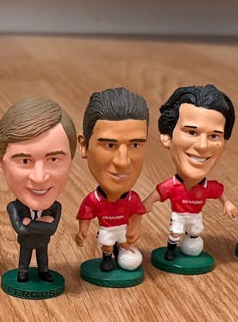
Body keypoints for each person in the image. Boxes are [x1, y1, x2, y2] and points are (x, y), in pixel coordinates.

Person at [143, 84, 236, 261]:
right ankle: (171, 249)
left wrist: (227, 203)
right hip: (179, 215)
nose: (202, 146)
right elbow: (158, 194)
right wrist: (146, 203)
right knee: (175, 232)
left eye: (214, 136)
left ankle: (190, 244)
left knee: (195, 231)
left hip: (195, 216)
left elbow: (219, 194)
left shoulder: (208, 187)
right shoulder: (172, 185)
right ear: (167, 137)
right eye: (192, 132)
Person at [0, 96, 76, 283]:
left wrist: (30, 224)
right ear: (1, 164)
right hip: (26, 243)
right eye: (24, 161)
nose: (39, 178)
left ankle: (44, 271)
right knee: (24, 257)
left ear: (71, 160)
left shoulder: (55, 207)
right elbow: (20, 228)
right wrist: (41, 223)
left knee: (42, 257)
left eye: (53, 159)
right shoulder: (14, 207)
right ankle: (22, 272)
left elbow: (51, 229)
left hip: (43, 242)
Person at [75, 87, 149, 272]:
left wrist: (136, 226)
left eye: (135, 144)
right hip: (107, 231)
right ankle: (108, 257)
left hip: (122, 231)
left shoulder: (132, 199)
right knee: (107, 245)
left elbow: (137, 213)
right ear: (84, 146)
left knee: (123, 243)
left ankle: (118, 252)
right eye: (109, 145)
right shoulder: (94, 200)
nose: (123, 162)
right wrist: (83, 230)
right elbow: (86, 215)